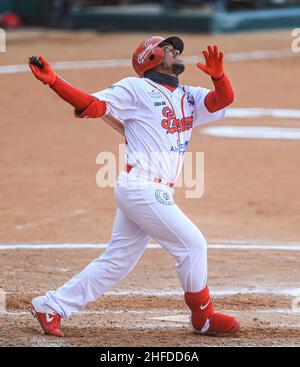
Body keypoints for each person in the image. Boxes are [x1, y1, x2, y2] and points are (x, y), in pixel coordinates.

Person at [29, 35, 239, 337]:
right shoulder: (135, 88)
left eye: (175, 49)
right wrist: (54, 82)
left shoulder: (189, 96)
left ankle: (52, 306)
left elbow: (223, 100)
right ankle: (203, 317)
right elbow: (92, 105)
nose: (175, 52)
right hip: (142, 187)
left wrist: (219, 76)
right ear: (149, 58)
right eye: (168, 49)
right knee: (193, 246)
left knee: (117, 261)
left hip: (152, 190)